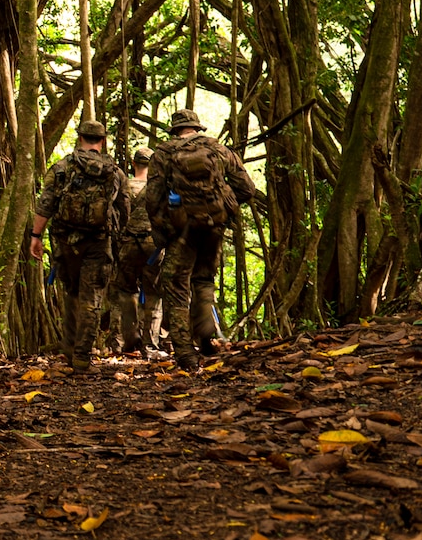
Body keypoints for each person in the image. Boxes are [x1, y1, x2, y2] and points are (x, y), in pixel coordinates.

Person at [143, 109, 258, 372]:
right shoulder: (219, 150)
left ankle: (185, 353)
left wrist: (163, 229)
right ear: (197, 128)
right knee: (204, 279)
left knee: (175, 286)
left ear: (175, 130)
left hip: (182, 231)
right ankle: (206, 336)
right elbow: (247, 189)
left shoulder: (163, 153)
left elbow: (153, 198)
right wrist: (222, 209)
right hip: (213, 228)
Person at [30, 119, 128, 373]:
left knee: (72, 293)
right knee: (92, 298)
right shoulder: (114, 172)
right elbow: (124, 210)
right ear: (102, 141)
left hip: (65, 242)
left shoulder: (62, 168)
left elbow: (46, 204)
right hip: (98, 242)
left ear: (80, 138)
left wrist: (35, 236)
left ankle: (69, 351)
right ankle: (82, 357)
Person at [113, 147, 162, 356]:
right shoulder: (157, 188)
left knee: (125, 291)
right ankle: (150, 344)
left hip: (127, 244)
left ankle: (127, 338)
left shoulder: (123, 186)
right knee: (154, 293)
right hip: (153, 244)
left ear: (134, 164)